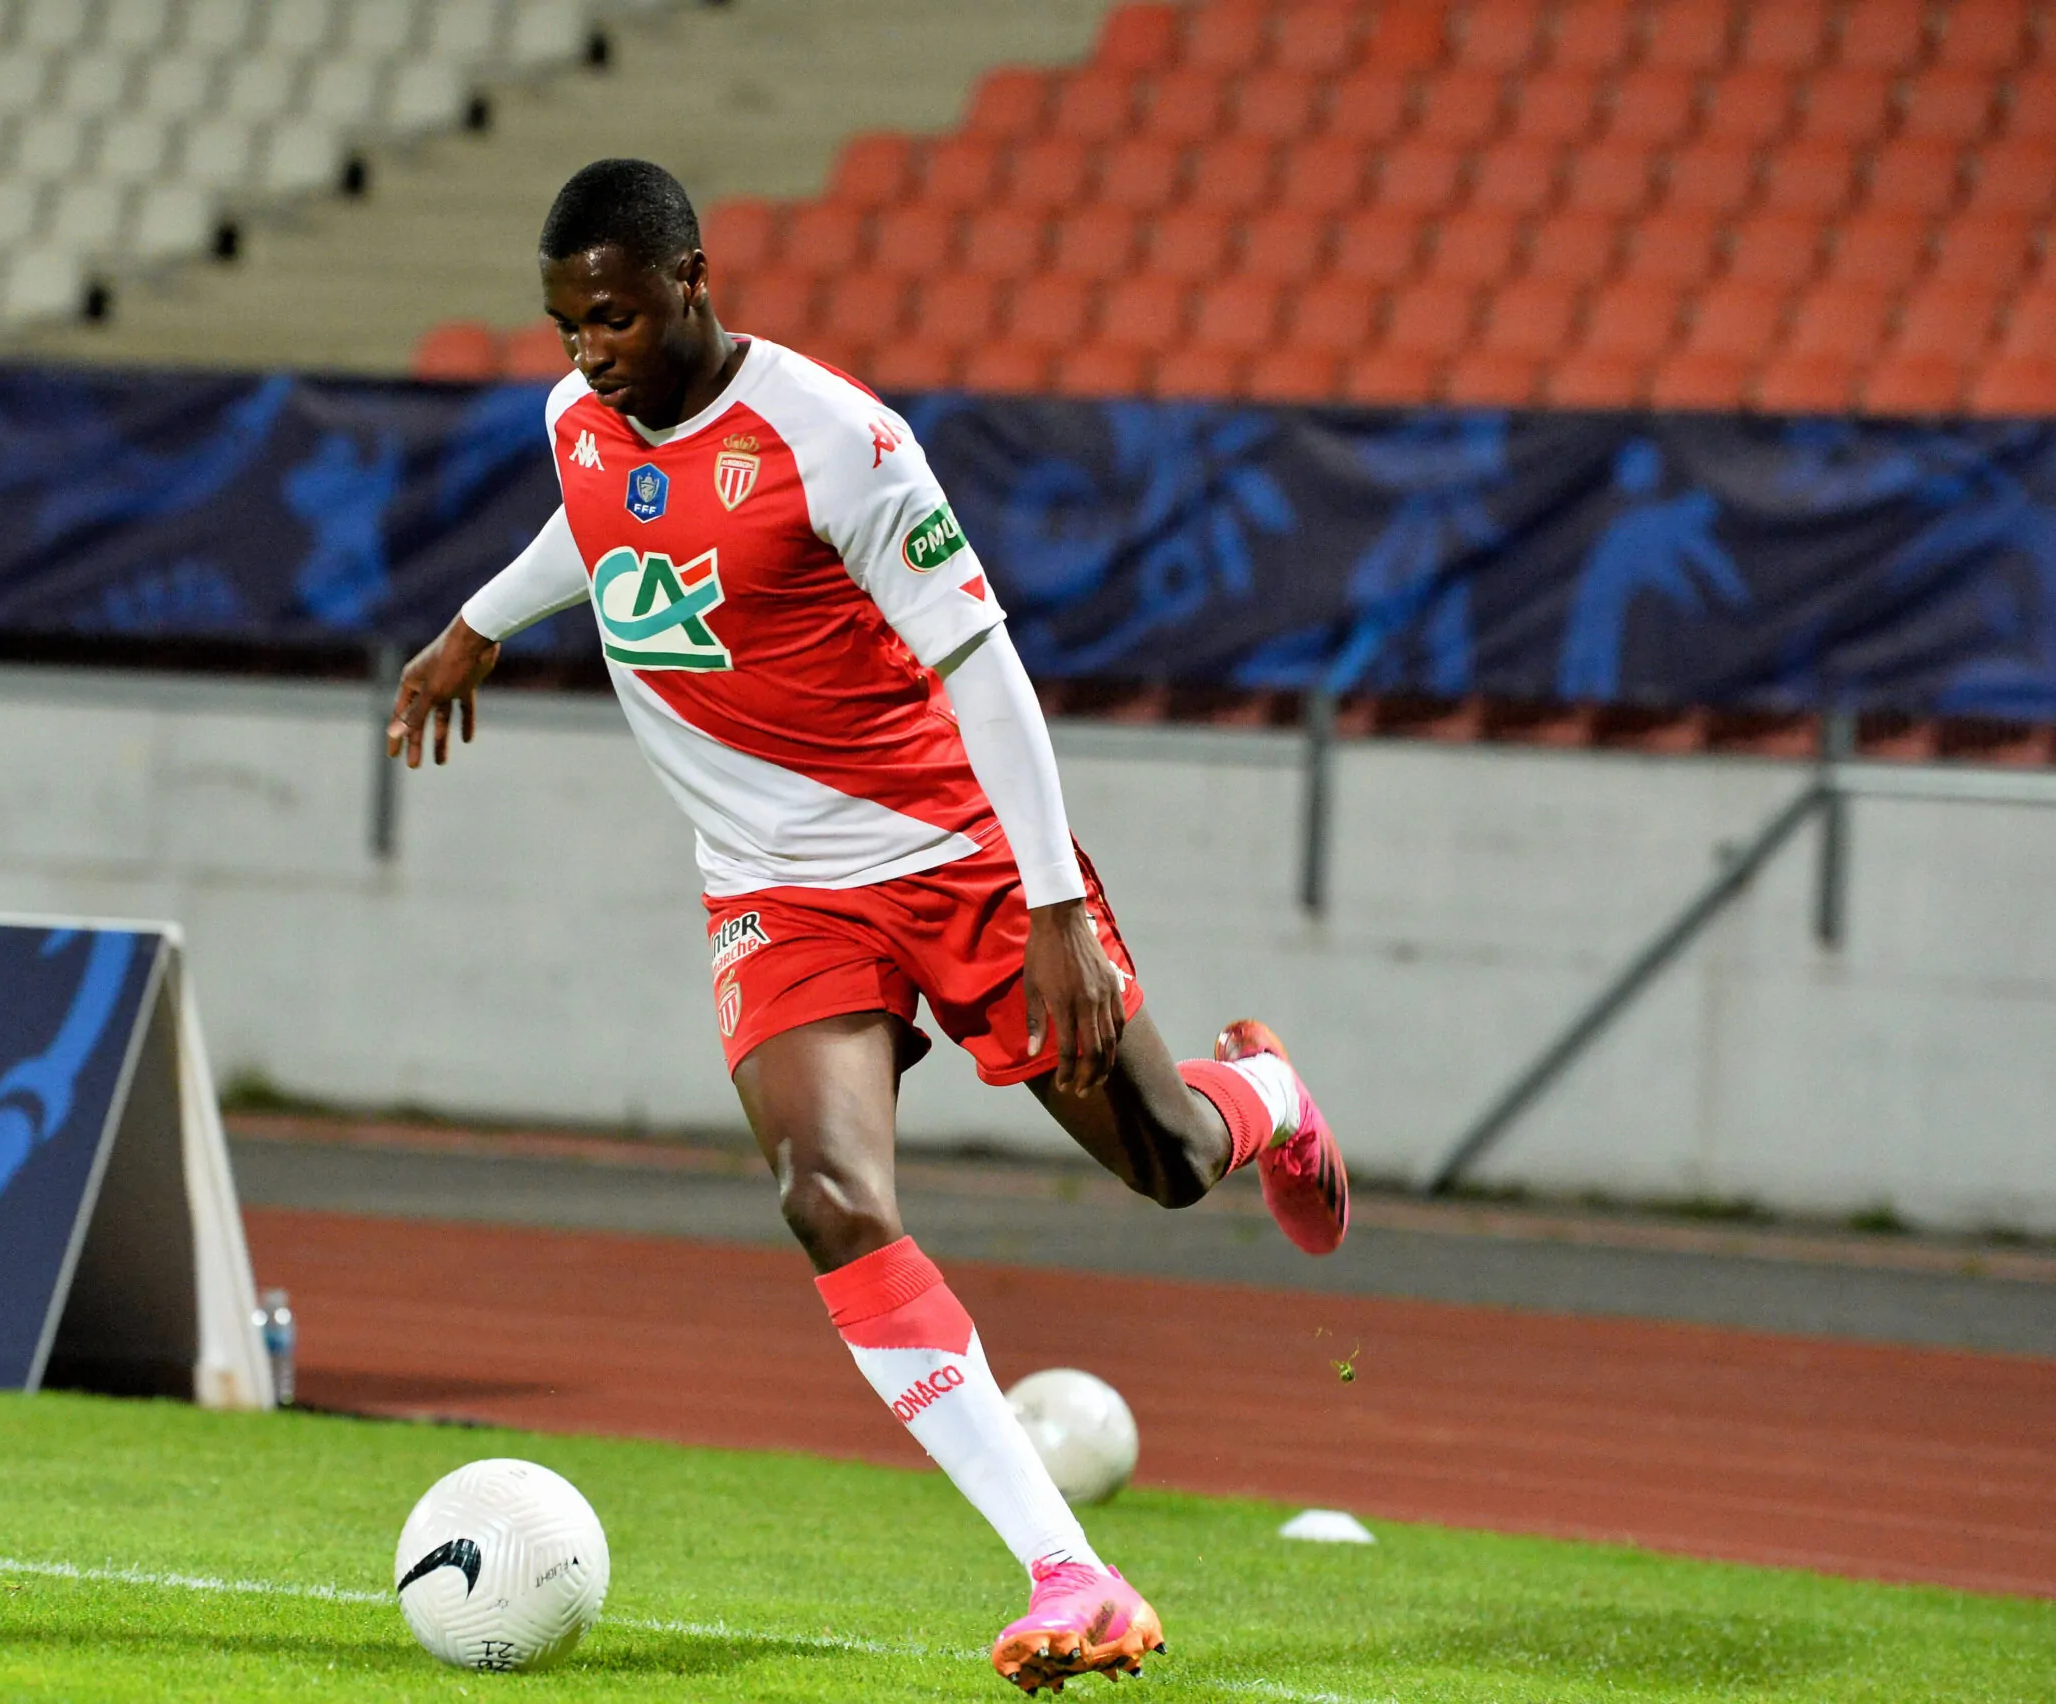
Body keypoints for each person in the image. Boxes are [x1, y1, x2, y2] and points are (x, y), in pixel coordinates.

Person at [387, 158, 1348, 1696]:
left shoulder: (841, 442)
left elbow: (985, 668)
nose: (590, 353)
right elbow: (604, 525)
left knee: (1166, 1160)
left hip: (956, 855)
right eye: (567, 327)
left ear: (692, 280)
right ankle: (1071, 1572)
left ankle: (1270, 1097)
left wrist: (1053, 907)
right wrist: (475, 628)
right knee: (828, 1196)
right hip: (775, 893)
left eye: (616, 319)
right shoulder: (580, 419)